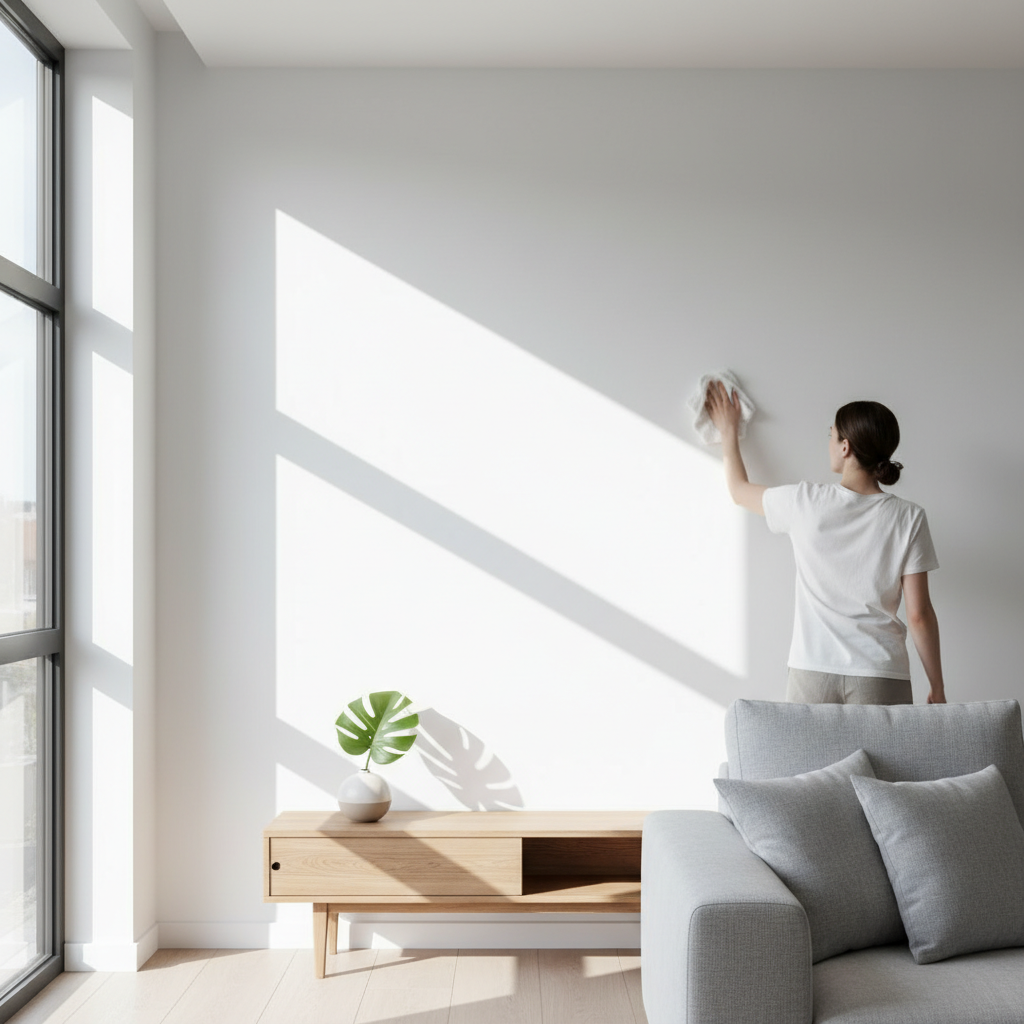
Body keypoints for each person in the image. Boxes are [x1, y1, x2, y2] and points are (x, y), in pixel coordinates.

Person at [705, 381, 945, 705]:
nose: (829, 442)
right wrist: (937, 686)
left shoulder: (804, 502)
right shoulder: (909, 517)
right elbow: (919, 614)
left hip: (812, 669)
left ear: (845, 447)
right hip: (880, 673)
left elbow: (738, 490)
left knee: (805, 744)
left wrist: (728, 431)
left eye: (831, 435)